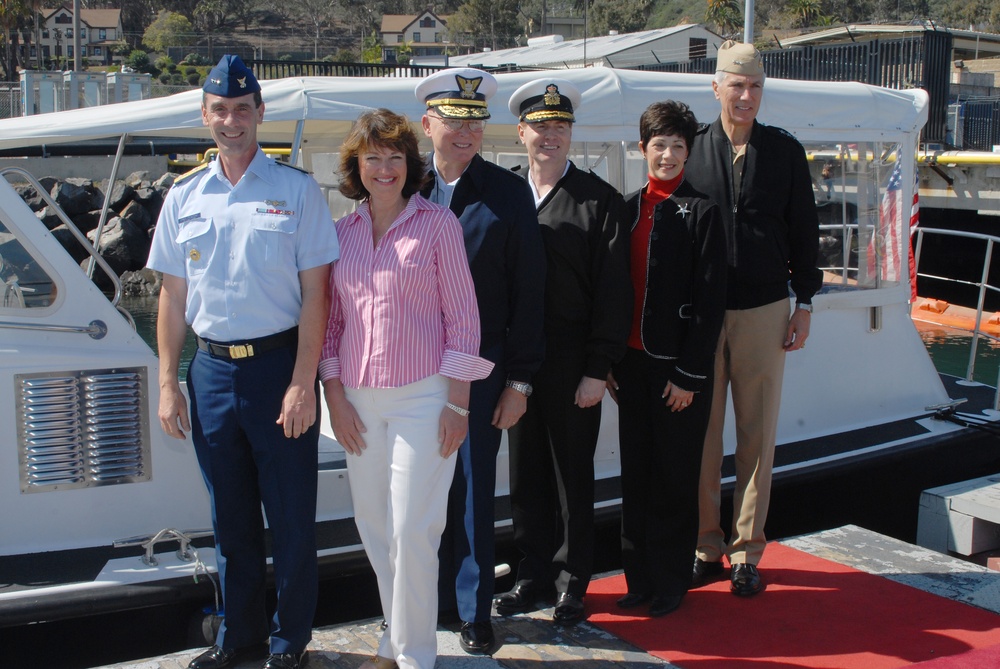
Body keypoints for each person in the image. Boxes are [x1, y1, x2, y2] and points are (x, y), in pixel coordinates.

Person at [148, 55, 339, 669]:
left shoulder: (295, 190)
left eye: (242, 109)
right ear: (205, 116)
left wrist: (302, 383)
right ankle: (240, 638)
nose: (232, 121)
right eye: (220, 111)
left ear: (260, 114)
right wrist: (170, 384)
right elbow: (173, 298)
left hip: (277, 368)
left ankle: (289, 644)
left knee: (289, 520)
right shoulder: (183, 196)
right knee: (229, 519)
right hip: (210, 373)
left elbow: (318, 294)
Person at [320, 108, 493, 669]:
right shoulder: (340, 233)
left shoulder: (438, 225)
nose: (385, 168)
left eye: (396, 157)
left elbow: (464, 319)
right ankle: (393, 643)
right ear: (356, 165)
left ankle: (415, 657)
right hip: (358, 404)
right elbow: (331, 325)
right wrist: (335, 398)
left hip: (425, 397)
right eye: (373, 157)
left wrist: (458, 405)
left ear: (411, 164)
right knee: (375, 528)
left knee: (415, 529)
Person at [684, 40, 822, 597]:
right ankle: (704, 545)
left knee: (757, 437)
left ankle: (746, 551)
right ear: (715, 87)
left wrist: (805, 302)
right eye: (736, 86)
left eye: (755, 87)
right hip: (702, 313)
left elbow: (805, 231)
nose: (746, 96)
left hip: (765, 310)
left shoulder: (785, 152)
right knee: (702, 436)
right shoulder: (691, 150)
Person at [415, 68, 546, 653]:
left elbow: (530, 291)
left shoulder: (506, 193)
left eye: (474, 120)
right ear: (428, 124)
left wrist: (520, 380)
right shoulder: (402, 190)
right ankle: (426, 603)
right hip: (412, 369)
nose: (465, 130)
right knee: (417, 489)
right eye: (453, 118)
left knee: (470, 489)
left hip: (482, 365)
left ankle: (473, 612)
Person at [493, 78, 631, 625]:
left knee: (571, 474)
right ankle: (532, 576)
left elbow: (615, 294)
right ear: (520, 131)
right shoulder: (504, 195)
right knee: (524, 473)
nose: (549, 136)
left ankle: (573, 581)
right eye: (539, 126)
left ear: (570, 134)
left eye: (560, 126)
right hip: (517, 360)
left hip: (574, 358)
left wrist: (599, 368)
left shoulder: (599, 201)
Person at [609, 100, 727, 617]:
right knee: (635, 475)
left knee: (673, 476)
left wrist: (689, 375)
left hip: (677, 369)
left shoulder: (703, 211)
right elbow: (612, 290)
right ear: (643, 149)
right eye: (659, 144)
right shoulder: (628, 207)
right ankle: (637, 578)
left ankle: (671, 579)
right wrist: (608, 359)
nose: (669, 154)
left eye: (679, 145)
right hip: (631, 366)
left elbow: (710, 303)